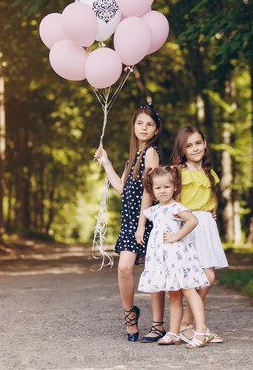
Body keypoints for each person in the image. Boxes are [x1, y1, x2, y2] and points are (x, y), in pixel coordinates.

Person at [94, 104, 166, 342]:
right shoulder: (133, 156)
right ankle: (130, 316)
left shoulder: (151, 153)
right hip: (129, 221)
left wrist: (142, 224)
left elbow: (149, 189)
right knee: (124, 268)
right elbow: (122, 188)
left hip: (146, 220)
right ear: (133, 127)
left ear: (156, 130)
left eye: (149, 124)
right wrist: (106, 162)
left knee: (153, 270)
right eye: (139, 123)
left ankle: (158, 325)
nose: (143, 128)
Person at [139, 165, 215, 348]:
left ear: (174, 187)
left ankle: (201, 330)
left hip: (179, 257)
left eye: (167, 187)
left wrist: (176, 236)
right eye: (158, 188)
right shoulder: (155, 210)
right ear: (152, 190)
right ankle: (173, 333)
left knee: (188, 290)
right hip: (165, 260)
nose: (163, 191)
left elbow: (193, 221)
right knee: (173, 294)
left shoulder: (175, 207)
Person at [170, 126, 228, 344]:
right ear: (182, 149)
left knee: (208, 278)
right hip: (186, 227)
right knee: (189, 279)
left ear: (205, 144)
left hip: (205, 228)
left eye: (198, 143)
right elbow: (169, 200)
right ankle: (188, 326)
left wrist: (211, 210)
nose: (195, 148)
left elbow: (211, 198)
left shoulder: (210, 173)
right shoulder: (177, 172)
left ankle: (188, 323)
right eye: (189, 145)